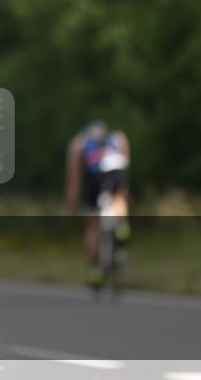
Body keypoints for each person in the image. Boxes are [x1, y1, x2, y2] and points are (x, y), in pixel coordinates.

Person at [65, 119, 130, 287]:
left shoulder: (79, 143)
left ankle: (94, 269)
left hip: (94, 180)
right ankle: (122, 226)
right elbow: (125, 164)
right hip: (115, 174)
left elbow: (74, 180)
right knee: (118, 197)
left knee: (92, 226)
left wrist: (72, 205)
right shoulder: (118, 138)